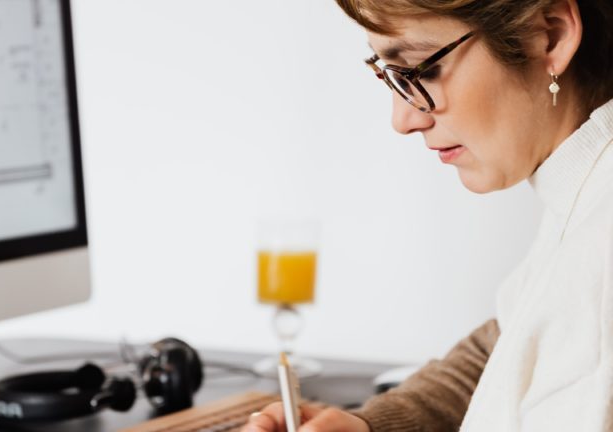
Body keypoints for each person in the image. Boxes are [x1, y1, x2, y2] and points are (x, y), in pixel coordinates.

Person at [241, 0, 613, 430]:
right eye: (389, 75)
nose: (402, 120)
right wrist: (370, 426)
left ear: (551, 35)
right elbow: (507, 345)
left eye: (420, 70)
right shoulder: (580, 190)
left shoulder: (600, 253)